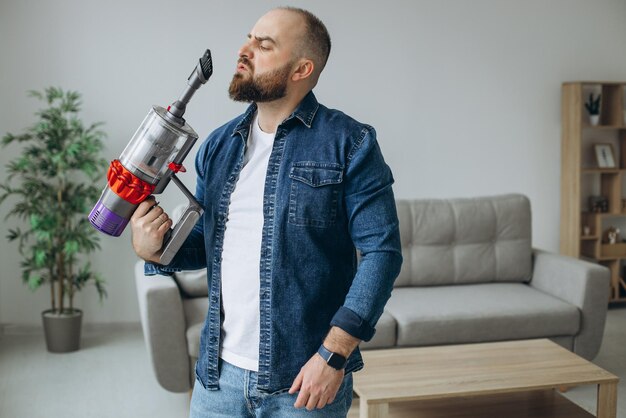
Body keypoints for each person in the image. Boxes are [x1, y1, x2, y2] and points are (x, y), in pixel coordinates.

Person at [130, 7, 402, 418]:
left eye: (264, 44)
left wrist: (333, 356)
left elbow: (383, 254)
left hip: (304, 384)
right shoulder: (219, 146)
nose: (244, 50)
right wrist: (155, 250)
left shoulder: (350, 144)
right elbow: (208, 243)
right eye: (249, 38)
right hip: (217, 380)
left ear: (301, 68)